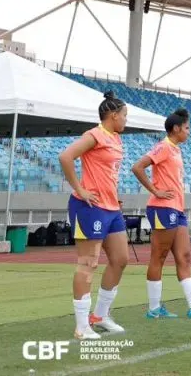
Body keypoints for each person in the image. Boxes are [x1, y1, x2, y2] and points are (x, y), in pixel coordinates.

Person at [131, 108, 191, 319]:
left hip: (176, 209)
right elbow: (137, 167)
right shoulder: (164, 147)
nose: (189, 132)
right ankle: (153, 308)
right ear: (176, 128)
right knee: (158, 257)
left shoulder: (176, 150)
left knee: (184, 256)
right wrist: (155, 190)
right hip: (162, 208)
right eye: (187, 128)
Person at [58, 91, 130, 339]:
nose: (125, 120)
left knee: (120, 259)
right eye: (124, 116)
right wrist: (80, 189)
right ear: (112, 115)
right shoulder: (94, 135)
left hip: (111, 207)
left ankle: (99, 315)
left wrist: (113, 194)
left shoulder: (116, 139)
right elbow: (65, 156)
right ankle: (81, 326)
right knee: (88, 263)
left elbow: (108, 172)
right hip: (89, 207)